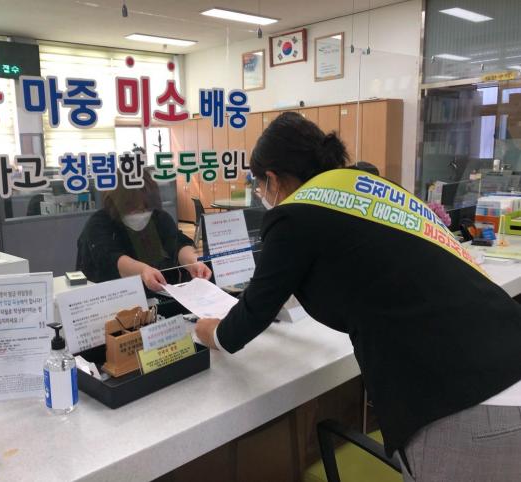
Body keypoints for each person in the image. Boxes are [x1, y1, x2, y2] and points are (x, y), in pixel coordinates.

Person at [195, 112, 521, 481]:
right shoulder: (368, 189)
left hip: (468, 405)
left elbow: (247, 319)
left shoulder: (294, 216)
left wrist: (205, 331)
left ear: (272, 179)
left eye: (259, 186)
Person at [76, 169, 211, 293]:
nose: (141, 214)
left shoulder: (158, 218)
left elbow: (177, 242)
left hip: (157, 296)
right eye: (132, 208)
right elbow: (109, 257)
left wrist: (193, 261)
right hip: (111, 296)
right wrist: (143, 271)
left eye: (146, 208)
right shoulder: (99, 223)